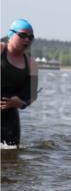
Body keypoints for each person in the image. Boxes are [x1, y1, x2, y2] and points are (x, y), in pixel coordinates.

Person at [1, 19, 39, 147]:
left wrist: (21, 103)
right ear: (11, 34)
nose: (27, 40)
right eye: (22, 35)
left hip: (9, 118)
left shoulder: (31, 64)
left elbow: (32, 95)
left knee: (11, 156)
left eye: (30, 37)